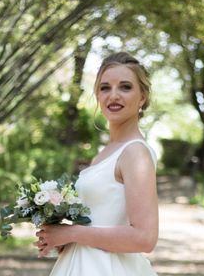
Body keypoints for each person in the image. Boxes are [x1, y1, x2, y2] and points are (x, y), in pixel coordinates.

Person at [35, 52, 159, 276]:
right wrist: (59, 236)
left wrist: (71, 233)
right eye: (105, 88)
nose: (113, 95)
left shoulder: (135, 153)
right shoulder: (105, 154)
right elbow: (99, 220)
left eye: (125, 87)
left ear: (142, 97)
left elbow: (145, 238)